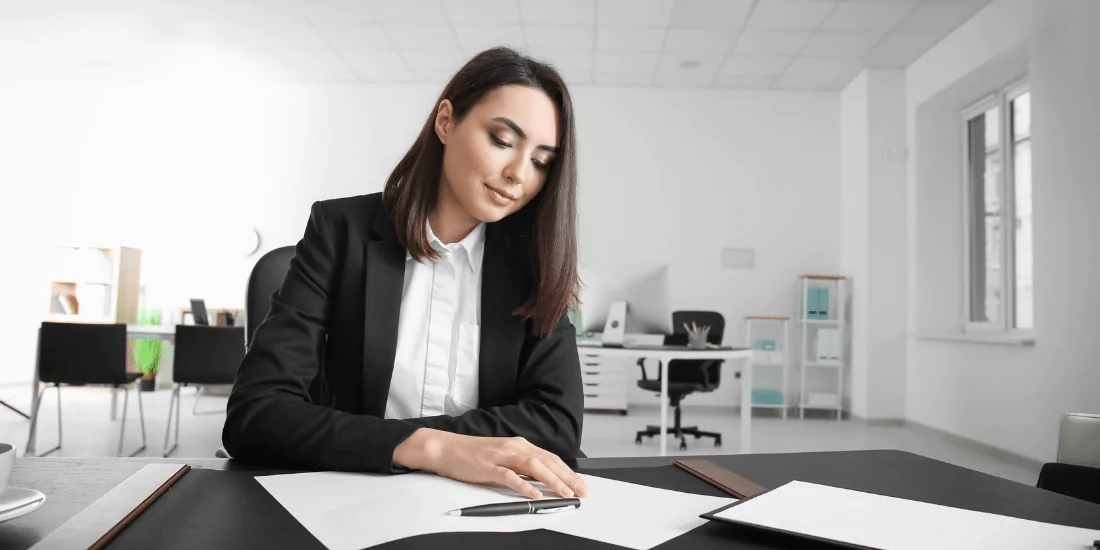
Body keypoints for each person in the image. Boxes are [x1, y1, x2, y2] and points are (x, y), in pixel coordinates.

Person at [223, 47, 588, 501]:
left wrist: (384, 437)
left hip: (490, 502)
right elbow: (255, 415)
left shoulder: (534, 262)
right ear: (446, 122)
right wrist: (429, 447)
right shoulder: (341, 232)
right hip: (352, 496)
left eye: (540, 162)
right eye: (502, 140)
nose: (518, 175)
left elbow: (557, 425)